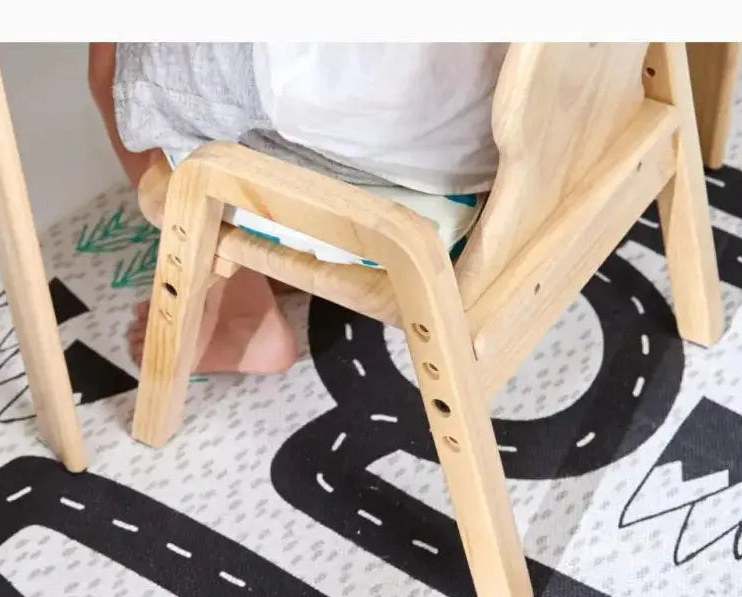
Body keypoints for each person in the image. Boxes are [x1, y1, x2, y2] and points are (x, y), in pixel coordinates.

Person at [88, 42, 508, 374]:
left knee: (112, 54)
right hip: (519, 105)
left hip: (420, 120)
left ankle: (243, 319)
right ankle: (260, 263)